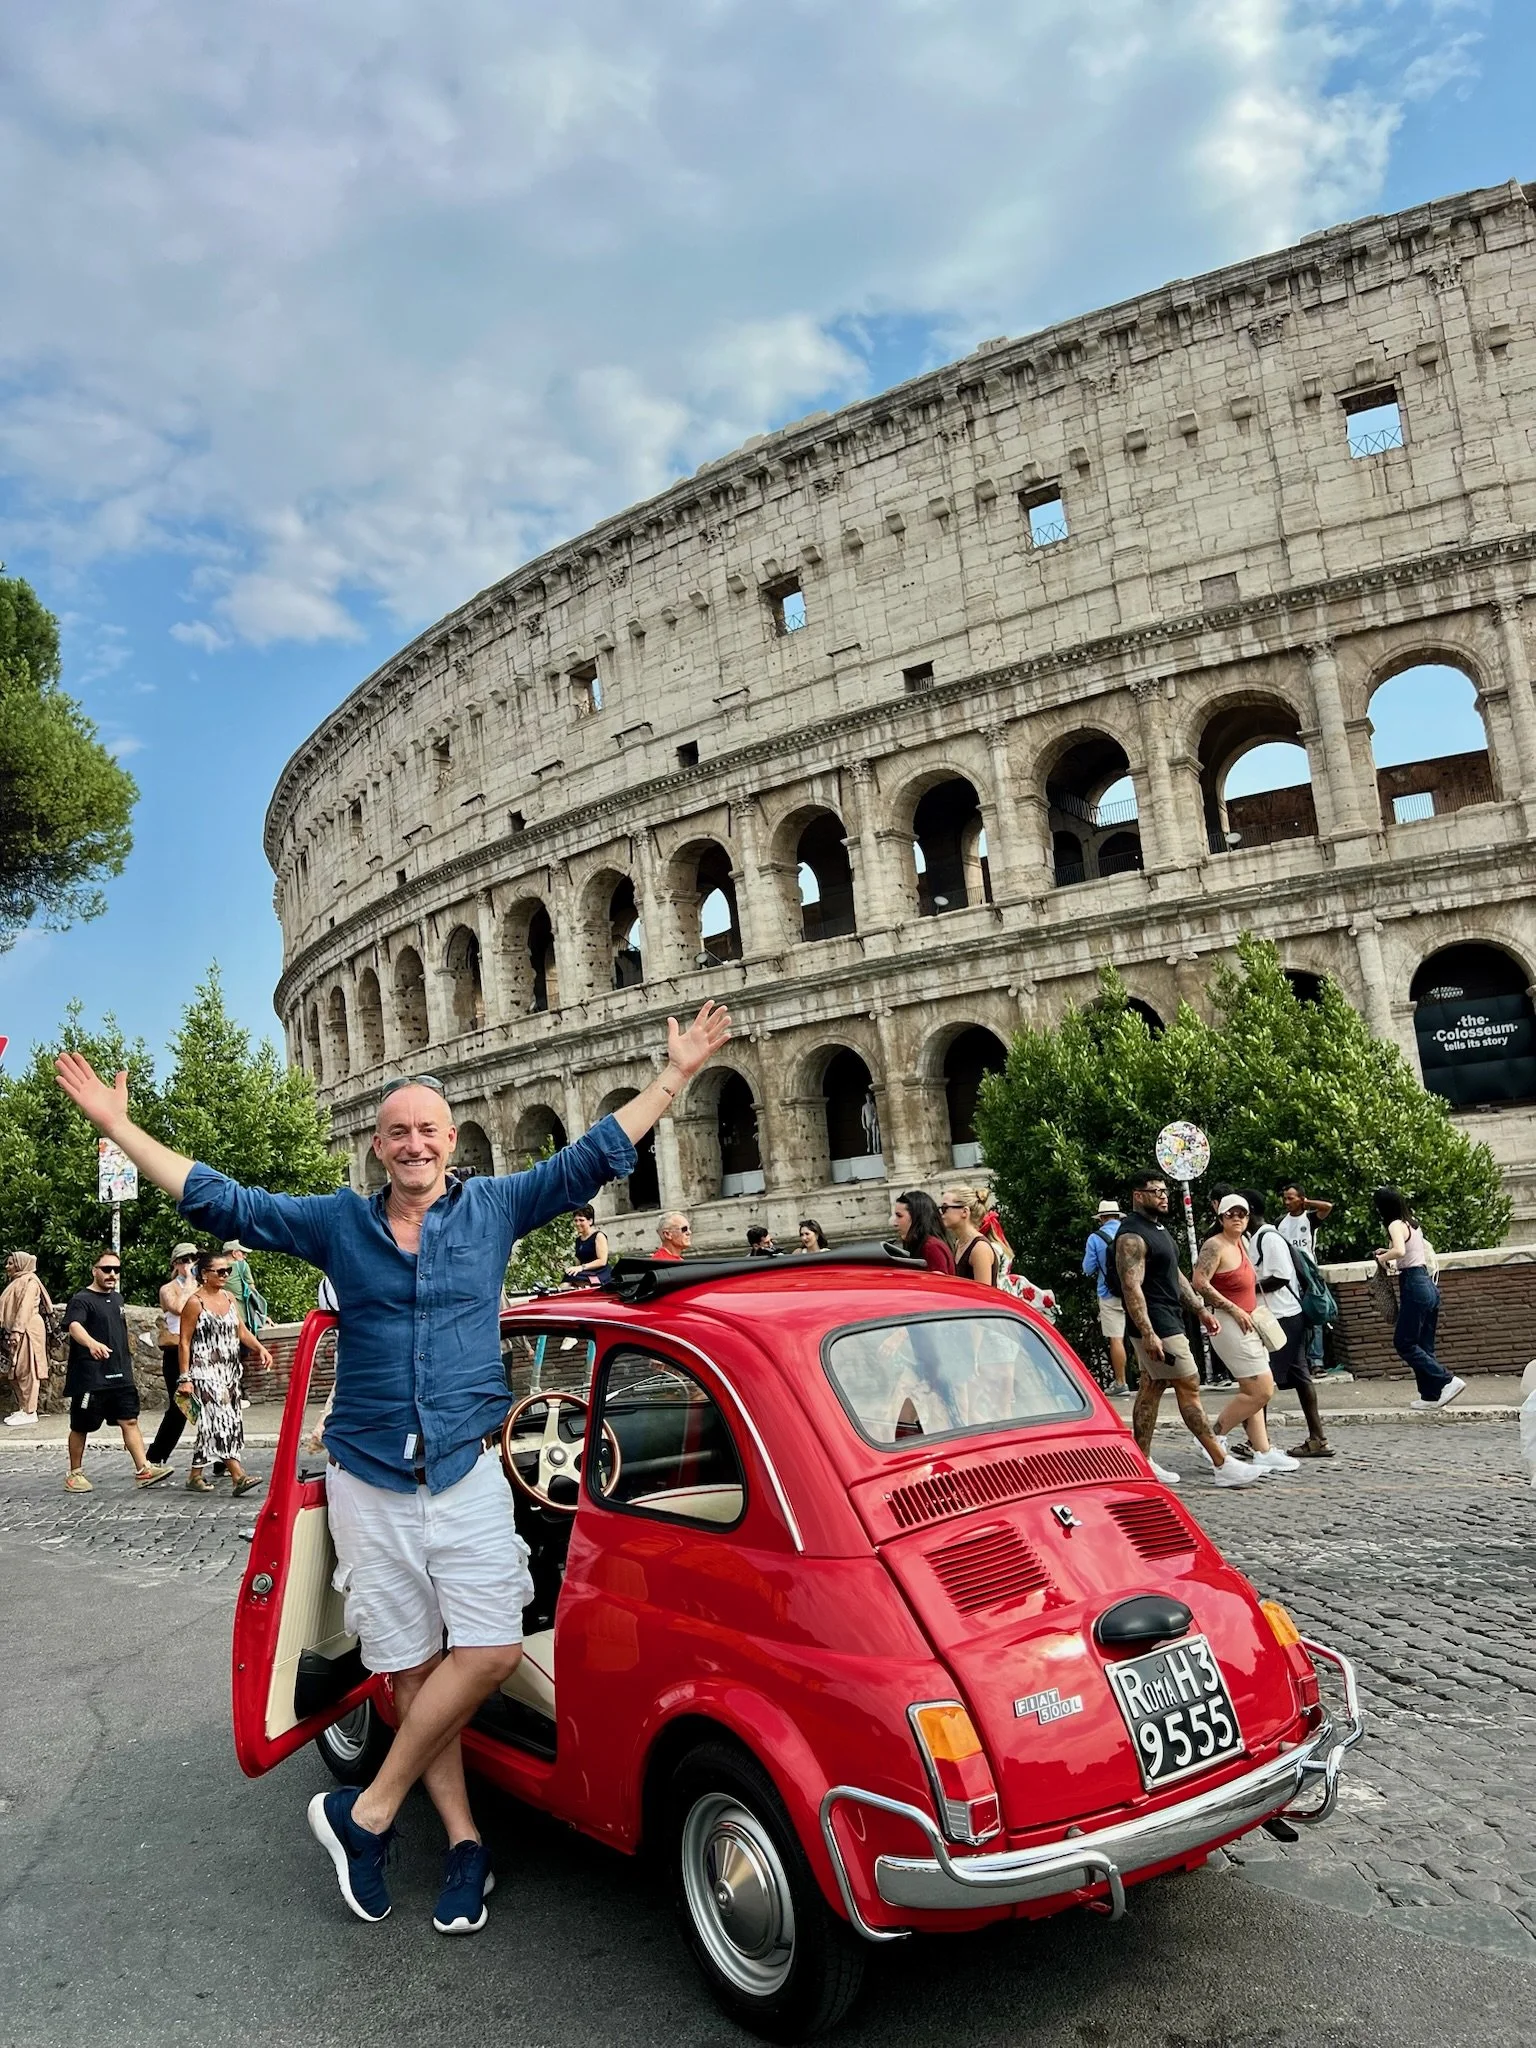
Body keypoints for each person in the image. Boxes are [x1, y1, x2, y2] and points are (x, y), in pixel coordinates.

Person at [53, 998, 730, 1935]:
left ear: (451, 1144)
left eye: (429, 1131)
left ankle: (364, 1811)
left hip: (465, 1471)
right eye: (397, 1132)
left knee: (488, 1648)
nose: (414, 1144)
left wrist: (677, 1074)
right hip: (369, 1475)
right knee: (411, 1668)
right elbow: (222, 1198)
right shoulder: (339, 1224)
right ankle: (463, 1843)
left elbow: (593, 1156)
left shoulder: (494, 1208)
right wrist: (119, 1127)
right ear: (377, 1148)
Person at [1112, 1172, 1261, 1490]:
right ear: (1138, 1195)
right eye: (1156, 1191)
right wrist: (1149, 1332)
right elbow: (1131, 1287)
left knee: (1151, 1388)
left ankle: (1142, 1460)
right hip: (1158, 1324)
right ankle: (1222, 1464)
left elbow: (1175, 1274)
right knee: (1189, 1385)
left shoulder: (1158, 1229)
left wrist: (1200, 1310)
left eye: (1165, 1190)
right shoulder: (1131, 1237)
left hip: (1169, 1319)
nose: (1164, 1196)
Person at [1190, 1195, 1298, 1475]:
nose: (1237, 1218)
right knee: (1262, 1388)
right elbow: (1199, 1282)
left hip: (1249, 1321)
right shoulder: (1214, 1246)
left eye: (1242, 1214)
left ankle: (1262, 1450)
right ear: (1221, 1217)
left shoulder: (1243, 1242)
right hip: (1230, 1323)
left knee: (1254, 1391)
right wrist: (1233, 1309)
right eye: (1231, 1214)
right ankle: (1212, 1436)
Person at [61, 1250, 173, 1493]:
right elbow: (74, 1326)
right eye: (107, 1269)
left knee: (130, 1419)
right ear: (95, 1270)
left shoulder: (118, 1299)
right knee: (82, 1425)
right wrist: (92, 1344)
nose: (112, 1274)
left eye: (116, 1270)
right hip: (91, 1376)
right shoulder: (81, 1299)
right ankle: (75, 1473)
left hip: (120, 1374)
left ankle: (144, 1469)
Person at [1245, 1192, 1332, 1459]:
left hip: (1282, 1317)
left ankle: (1258, 1442)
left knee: (1261, 1378)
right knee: (1299, 1376)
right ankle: (1317, 1438)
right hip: (1283, 1316)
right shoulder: (1262, 1236)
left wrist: (1249, 1288)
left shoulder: (1268, 1238)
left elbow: (1281, 1277)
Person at [179, 1246, 272, 1495]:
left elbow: (240, 1331)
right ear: (204, 1274)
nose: (225, 1275)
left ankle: (195, 1475)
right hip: (203, 1370)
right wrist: (185, 1378)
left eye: (228, 1271)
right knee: (218, 1420)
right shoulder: (194, 1303)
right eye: (220, 1271)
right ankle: (238, 1475)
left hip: (229, 1371)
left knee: (221, 1421)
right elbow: (184, 1342)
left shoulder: (229, 1299)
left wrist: (260, 1348)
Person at [1374, 1187, 1465, 1410]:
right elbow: (1412, 1252)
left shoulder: (1394, 1224)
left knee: (1403, 1342)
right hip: (1427, 1284)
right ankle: (1430, 1395)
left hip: (1414, 1284)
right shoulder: (1412, 1223)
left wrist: (1382, 1257)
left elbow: (1399, 1251)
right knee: (1424, 1344)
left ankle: (1447, 1380)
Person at [144, 1243, 200, 1465]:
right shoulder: (170, 1288)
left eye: (194, 1259)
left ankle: (219, 1459)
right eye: (185, 1260)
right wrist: (188, 1282)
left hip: (200, 1348)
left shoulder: (204, 1285)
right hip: (176, 1350)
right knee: (179, 1407)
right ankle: (155, 1456)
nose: (190, 1264)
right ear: (176, 1264)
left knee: (210, 1404)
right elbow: (178, 1307)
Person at [1277, 1181, 1339, 1374]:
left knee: (1315, 1313)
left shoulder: (1310, 1219)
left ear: (1300, 1199)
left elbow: (1328, 1207)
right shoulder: (1280, 1222)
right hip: (1289, 1273)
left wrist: (1307, 1202)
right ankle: (1298, 1359)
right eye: (1285, 1198)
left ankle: (1316, 1361)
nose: (1287, 1202)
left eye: (1291, 1198)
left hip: (1309, 1273)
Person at [1081, 1199, 1131, 1397]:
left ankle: (1120, 1382)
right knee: (1143, 1335)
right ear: (1118, 1216)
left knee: (1116, 1339)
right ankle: (1151, 1378)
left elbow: (1088, 1268)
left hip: (1109, 1292)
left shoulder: (1095, 1238)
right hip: (1135, 1291)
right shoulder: (1129, 1233)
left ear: (1101, 1218)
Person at [2, 1251, 53, 1426]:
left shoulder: (30, 1282)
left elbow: (25, 1308)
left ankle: (30, 1410)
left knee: (27, 1370)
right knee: (16, 1371)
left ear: (20, 1264)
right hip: (20, 1330)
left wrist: (17, 1330)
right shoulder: (18, 1281)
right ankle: (23, 1407)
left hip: (28, 1330)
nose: (7, 1267)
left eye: (10, 1263)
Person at [940, 1188, 998, 1286]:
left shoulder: (980, 1248)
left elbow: (983, 1295)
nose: (941, 1213)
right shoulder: (960, 1243)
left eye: (945, 1208)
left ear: (964, 1212)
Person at [892, 1190, 955, 1274]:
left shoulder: (931, 1247)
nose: (895, 1223)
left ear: (917, 1217)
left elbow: (938, 1285)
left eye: (899, 1216)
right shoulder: (920, 1244)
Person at [222, 1238, 267, 1333]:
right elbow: (252, 1291)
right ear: (234, 1253)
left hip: (227, 1318)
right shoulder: (242, 1265)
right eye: (243, 1253)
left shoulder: (216, 1268)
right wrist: (260, 1314)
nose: (245, 1256)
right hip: (241, 1318)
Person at [563, 1205, 610, 1286]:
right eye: (576, 1220)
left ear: (590, 1221)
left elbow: (602, 1261)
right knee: (569, 1275)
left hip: (599, 1273)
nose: (578, 1223)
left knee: (574, 1280)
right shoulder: (578, 1240)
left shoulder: (598, 1236)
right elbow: (578, 1262)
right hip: (585, 1273)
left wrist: (582, 1267)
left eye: (581, 1220)